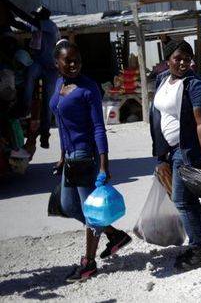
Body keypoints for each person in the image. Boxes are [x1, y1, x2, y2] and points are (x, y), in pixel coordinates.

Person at [50, 41, 131, 282]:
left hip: (86, 156)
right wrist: (62, 157)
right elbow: (62, 125)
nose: (74, 64)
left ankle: (89, 263)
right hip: (70, 158)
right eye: (68, 60)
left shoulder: (88, 88)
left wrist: (105, 165)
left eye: (77, 60)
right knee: (69, 206)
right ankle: (115, 236)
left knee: (91, 213)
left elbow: (98, 128)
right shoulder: (57, 84)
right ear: (57, 63)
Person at [149, 39, 201, 271]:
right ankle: (199, 244)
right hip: (168, 150)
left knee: (182, 199)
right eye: (177, 58)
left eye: (187, 59)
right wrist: (160, 153)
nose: (182, 63)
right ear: (167, 60)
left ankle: (200, 248)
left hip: (187, 150)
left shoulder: (196, 85)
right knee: (186, 199)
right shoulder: (162, 80)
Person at [3, 0, 60, 148]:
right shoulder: (37, 26)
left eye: (37, 16)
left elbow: (24, 17)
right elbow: (17, 23)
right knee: (29, 77)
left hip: (51, 68)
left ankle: (45, 134)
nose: (34, 19)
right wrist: (6, 10)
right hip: (39, 62)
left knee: (48, 100)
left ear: (43, 17)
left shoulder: (49, 25)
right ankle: (24, 107)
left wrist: (9, 3)